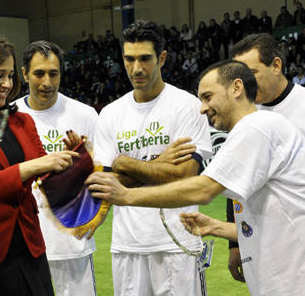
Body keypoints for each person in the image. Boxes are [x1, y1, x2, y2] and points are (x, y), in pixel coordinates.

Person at [86, 60, 305, 296]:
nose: (202, 108)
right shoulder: (255, 128)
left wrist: (127, 195)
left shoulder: (256, 127)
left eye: (208, 96)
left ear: (236, 88)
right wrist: (216, 226)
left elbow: (203, 189)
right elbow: (269, 221)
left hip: (293, 280)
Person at [92, 20, 212, 296]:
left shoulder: (186, 106)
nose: (137, 68)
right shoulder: (110, 113)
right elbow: (107, 186)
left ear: (162, 58)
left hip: (178, 243)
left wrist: (124, 163)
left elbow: (184, 176)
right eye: (130, 59)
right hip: (127, 245)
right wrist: (160, 163)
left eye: (145, 58)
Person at [0, 35, 79, 295]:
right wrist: (31, 167)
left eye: (10, 76)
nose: (7, 84)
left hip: (30, 244)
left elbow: (45, 172)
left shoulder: (22, 121)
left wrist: (69, 158)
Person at [16, 40, 99, 296]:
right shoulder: (10, 116)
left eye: (54, 73)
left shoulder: (85, 115)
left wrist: (98, 215)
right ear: (24, 74)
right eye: (39, 73)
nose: (47, 83)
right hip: (26, 245)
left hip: (74, 244)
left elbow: (103, 173)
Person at [228, 33, 305, 282]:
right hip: (260, 244)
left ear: (276, 66)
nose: (245, 84)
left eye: (252, 74)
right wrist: (235, 245)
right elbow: (235, 182)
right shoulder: (243, 117)